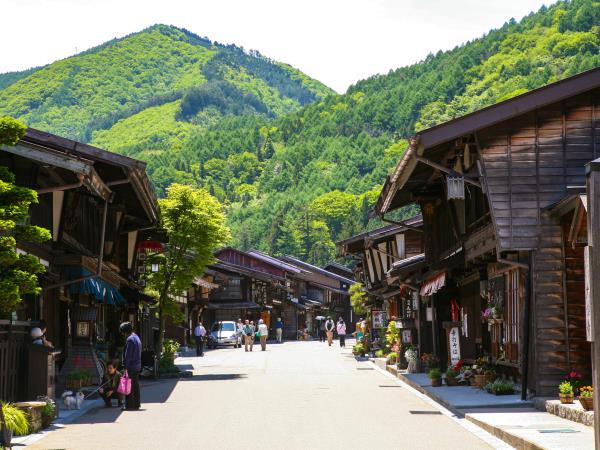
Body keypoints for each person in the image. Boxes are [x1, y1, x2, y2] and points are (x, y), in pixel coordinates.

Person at [120, 322, 141, 411]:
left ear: (125, 331)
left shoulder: (129, 340)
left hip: (131, 366)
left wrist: (125, 367)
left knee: (128, 386)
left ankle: (129, 405)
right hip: (137, 365)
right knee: (135, 385)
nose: (122, 334)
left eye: (122, 332)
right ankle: (137, 404)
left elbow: (128, 356)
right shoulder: (136, 337)